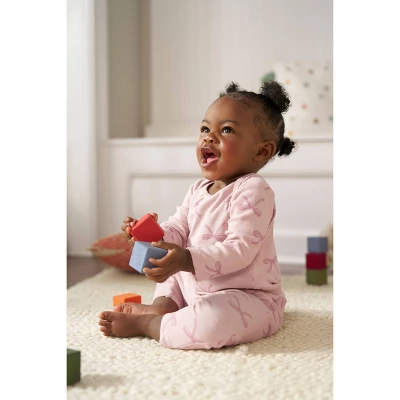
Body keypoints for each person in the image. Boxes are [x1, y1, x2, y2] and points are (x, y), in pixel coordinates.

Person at [98, 81, 296, 350]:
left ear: (262, 151)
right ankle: (163, 307)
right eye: (205, 129)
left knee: (214, 321)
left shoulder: (253, 189)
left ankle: (149, 324)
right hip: (196, 287)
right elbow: (178, 229)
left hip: (247, 296)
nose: (209, 137)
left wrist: (186, 259)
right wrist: (152, 234)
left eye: (226, 130)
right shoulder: (198, 189)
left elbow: (239, 250)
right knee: (171, 270)